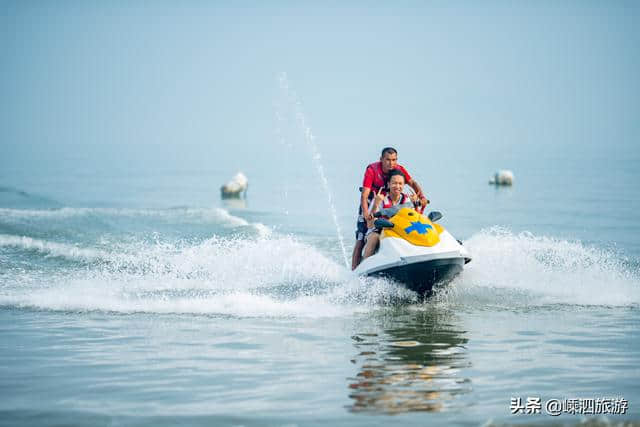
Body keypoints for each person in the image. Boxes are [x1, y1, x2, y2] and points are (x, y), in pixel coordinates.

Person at [351, 147, 428, 270]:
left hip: (393, 203)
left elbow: (412, 183)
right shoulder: (372, 170)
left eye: (394, 160)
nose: (391, 163)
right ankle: (356, 271)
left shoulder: (400, 172)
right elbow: (364, 195)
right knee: (362, 237)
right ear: (381, 159)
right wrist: (366, 213)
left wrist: (422, 198)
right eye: (388, 160)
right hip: (373, 203)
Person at [362, 170, 420, 259]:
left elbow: (415, 220)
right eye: (394, 183)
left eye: (400, 184)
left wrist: (415, 205)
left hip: (400, 231)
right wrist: (376, 204)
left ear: (404, 185)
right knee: (374, 237)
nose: (397, 186)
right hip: (379, 230)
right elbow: (370, 225)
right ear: (388, 184)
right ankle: (365, 265)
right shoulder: (380, 199)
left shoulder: (408, 200)